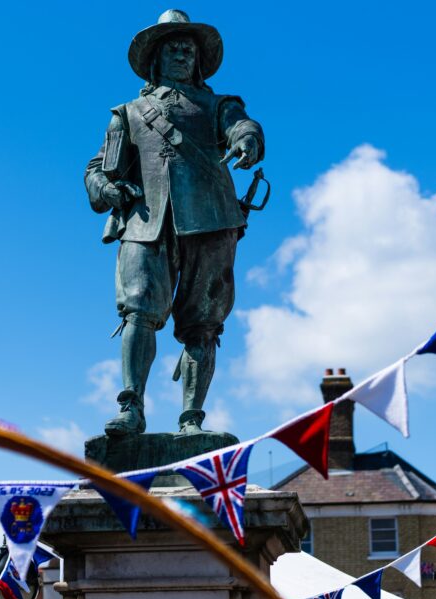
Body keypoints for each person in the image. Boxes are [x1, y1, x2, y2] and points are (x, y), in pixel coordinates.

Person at [84, 9, 265, 436]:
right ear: (157, 58)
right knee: (138, 311)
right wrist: (109, 191)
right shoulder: (127, 114)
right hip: (147, 223)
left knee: (203, 322)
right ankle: (131, 408)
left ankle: (191, 419)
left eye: (189, 49)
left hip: (211, 220)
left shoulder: (220, 105)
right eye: (174, 48)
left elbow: (243, 126)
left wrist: (248, 140)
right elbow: (96, 172)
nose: (183, 54)